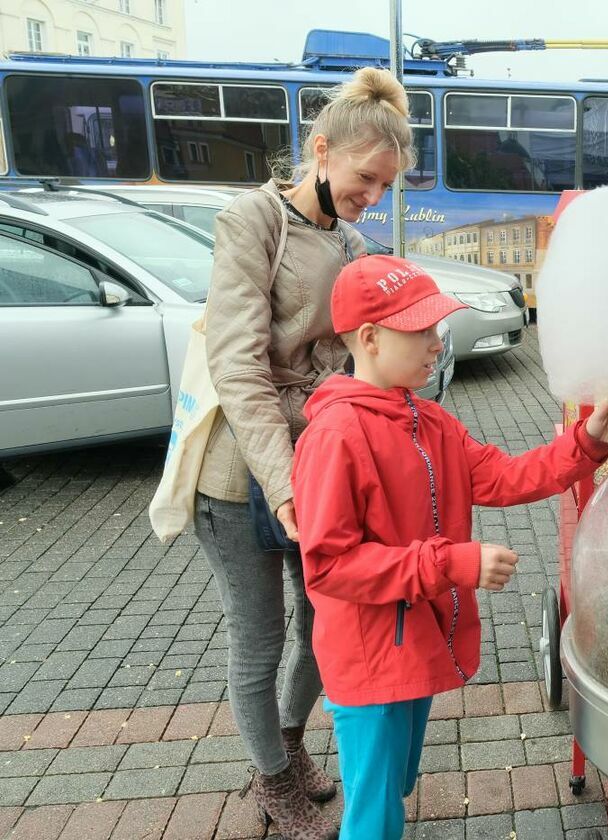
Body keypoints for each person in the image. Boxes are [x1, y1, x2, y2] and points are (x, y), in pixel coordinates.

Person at [291, 254, 608, 840]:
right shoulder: (335, 434)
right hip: (368, 655)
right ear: (369, 338)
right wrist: (453, 563)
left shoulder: (429, 421)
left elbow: (505, 475)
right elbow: (330, 565)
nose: (435, 341)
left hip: (417, 637)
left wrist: (586, 442)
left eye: (434, 326)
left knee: (396, 782)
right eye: (419, 329)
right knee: (372, 814)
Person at [193, 67, 412, 839]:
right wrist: (283, 484)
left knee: (326, 621)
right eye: (365, 178)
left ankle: (288, 742)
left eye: (385, 185)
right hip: (239, 472)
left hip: (318, 462)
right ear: (322, 151)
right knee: (258, 635)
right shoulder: (253, 222)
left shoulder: (351, 242)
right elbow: (238, 368)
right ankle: (271, 775)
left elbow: (361, 359)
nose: (373, 197)